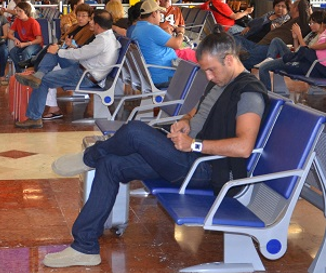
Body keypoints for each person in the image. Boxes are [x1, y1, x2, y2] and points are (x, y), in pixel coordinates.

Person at [42, 29, 267, 268]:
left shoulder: (249, 92)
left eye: (212, 70)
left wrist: (195, 144)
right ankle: (84, 247)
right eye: (205, 70)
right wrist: (186, 123)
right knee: (111, 165)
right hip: (187, 157)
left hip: (206, 169)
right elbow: (196, 113)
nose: (209, 76)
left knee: (135, 131)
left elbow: (244, 147)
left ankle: (90, 157)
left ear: (230, 60)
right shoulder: (220, 82)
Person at [14, 9, 120, 129]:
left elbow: (80, 54)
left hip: (85, 76)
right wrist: (68, 48)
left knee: (44, 80)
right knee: (54, 52)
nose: (89, 22)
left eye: (91, 20)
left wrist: (60, 51)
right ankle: (38, 74)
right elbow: (86, 53)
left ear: (97, 25)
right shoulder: (106, 37)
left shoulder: (102, 40)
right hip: (84, 69)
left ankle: (34, 117)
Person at [129, 0, 192, 87]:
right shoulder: (152, 29)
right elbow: (177, 44)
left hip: (151, 74)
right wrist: (181, 32)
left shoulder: (137, 29)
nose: (161, 16)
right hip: (164, 75)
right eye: (159, 13)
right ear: (154, 14)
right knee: (197, 76)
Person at [257, 10, 326, 90]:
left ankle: (266, 94)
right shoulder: (313, 34)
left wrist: (299, 35)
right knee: (277, 40)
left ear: (322, 24)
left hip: (302, 62)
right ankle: (270, 58)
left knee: (263, 67)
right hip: (298, 58)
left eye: (314, 23)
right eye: (310, 23)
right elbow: (300, 51)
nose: (311, 26)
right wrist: (295, 38)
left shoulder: (322, 37)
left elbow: (306, 51)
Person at [235, 0, 311, 70]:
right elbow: (258, 22)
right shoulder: (290, 19)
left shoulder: (301, 22)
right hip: (259, 44)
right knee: (236, 39)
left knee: (241, 58)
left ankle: (244, 56)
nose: (290, 8)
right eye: (278, 5)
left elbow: (307, 18)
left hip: (270, 47)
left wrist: (308, 9)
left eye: (292, 6)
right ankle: (243, 53)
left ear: (296, 8)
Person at [7, 2, 43, 73]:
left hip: (34, 44)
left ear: (26, 12)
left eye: (20, 11)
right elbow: (9, 34)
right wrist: (15, 39)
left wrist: (26, 44)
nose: (17, 13)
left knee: (26, 52)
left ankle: (26, 72)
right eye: (16, 11)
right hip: (24, 43)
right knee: (12, 52)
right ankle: (20, 71)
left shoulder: (33, 22)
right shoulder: (17, 21)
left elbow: (39, 39)